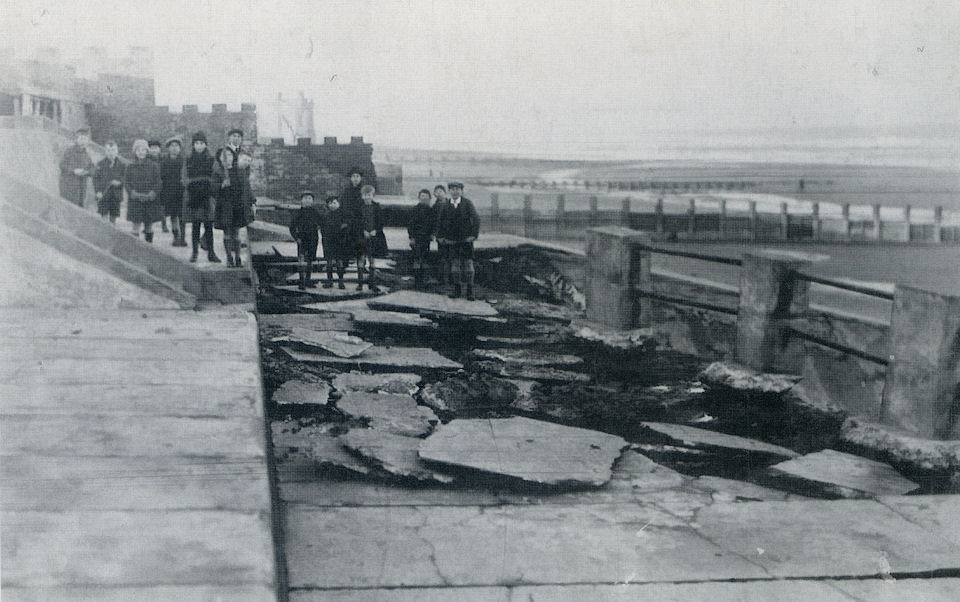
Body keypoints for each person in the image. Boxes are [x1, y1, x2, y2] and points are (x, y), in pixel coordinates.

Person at [435, 181, 479, 299]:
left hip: (466, 240)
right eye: (452, 189)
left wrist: (473, 235)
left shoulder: (467, 203)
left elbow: (476, 219)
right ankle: (457, 290)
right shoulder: (446, 205)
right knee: (455, 265)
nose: (455, 191)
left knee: (468, 264)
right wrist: (440, 237)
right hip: (452, 240)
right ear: (449, 191)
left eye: (457, 189)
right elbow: (440, 222)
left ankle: (470, 291)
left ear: (461, 191)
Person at [212, 147, 254, 267]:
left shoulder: (239, 171)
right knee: (227, 233)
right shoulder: (218, 172)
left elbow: (246, 188)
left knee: (236, 233)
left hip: (237, 206)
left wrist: (252, 202)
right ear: (220, 159)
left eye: (229, 155)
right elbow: (212, 189)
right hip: (225, 206)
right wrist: (221, 186)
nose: (227, 158)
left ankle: (238, 257)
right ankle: (229, 258)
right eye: (224, 156)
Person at [182, 131, 219, 263]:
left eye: (201, 143)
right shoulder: (188, 159)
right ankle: (194, 252)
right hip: (193, 195)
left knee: (208, 225)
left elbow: (215, 175)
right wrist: (191, 185)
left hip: (206, 195)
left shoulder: (211, 159)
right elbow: (184, 177)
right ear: (193, 145)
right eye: (196, 143)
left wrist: (209, 187)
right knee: (195, 225)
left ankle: (211, 253)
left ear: (205, 144)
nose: (199, 146)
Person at [123, 138, 161, 242]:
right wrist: (132, 193)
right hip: (135, 201)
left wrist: (152, 194)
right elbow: (126, 182)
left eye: (143, 150)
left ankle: (149, 248)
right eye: (138, 150)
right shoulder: (130, 166)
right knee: (136, 225)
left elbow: (158, 183)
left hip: (149, 201)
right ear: (135, 152)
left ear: (147, 152)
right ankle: (135, 250)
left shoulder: (154, 166)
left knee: (148, 225)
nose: (141, 152)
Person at [289, 190, 323, 290]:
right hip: (302, 239)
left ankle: (308, 281)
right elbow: (292, 227)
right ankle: (301, 282)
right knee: (301, 259)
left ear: (312, 201)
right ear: (301, 201)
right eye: (305, 198)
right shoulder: (298, 213)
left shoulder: (315, 212)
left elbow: (322, 223)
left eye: (309, 198)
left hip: (313, 239)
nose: (307, 200)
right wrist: (296, 238)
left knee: (310, 260)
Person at [357, 184, 385, 292]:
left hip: (373, 237)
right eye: (365, 195)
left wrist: (376, 230)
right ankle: (360, 284)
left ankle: (372, 283)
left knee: (372, 260)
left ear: (373, 195)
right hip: (361, 237)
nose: (367, 197)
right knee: (361, 259)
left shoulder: (377, 207)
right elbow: (355, 222)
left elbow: (381, 221)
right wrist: (362, 231)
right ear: (362, 196)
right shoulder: (358, 208)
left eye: (369, 195)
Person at [408, 188, 436, 288]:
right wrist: (411, 237)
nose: (424, 198)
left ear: (429, 198)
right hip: (416, 237)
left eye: (426, 197)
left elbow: (433, 224)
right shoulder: (414, 210)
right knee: (417, 258)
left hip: (426, 238)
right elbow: (410, 224)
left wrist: (432, 234)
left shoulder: (431, 210)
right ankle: (417, 280)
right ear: (419, 198)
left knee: (425, 258)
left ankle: (423, 279)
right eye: (422, 196)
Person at [160, 137, 186, 246]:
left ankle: (183, 237)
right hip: (168, 192)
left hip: (181, 192)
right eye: (172, 146)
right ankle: (176, 236)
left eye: (177, 146)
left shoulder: (184, 161)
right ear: (168, 148)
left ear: (180, 148)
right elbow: (161, 177)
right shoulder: (164, 162)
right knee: (173, 215)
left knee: (182, 216)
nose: (174, 148)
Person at [320, 196, 350, 289]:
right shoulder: (326, 216)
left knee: (339, 262)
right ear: (328, 205)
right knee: (329, 262)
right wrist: (325, 237)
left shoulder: (343, 215)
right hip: (328, 241)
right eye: (330, 203)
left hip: (339, 242)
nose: (332, 205)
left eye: (334, 203)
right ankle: (329, 281)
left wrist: (342, 237)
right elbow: (322, 229)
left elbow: (346, 228)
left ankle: (341, 281)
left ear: (338, 204)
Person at [59, 128, 93, 206]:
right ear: (77, 139)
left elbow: (92, 169)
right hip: (69, 187)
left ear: (88, 141)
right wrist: (74, 171)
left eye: (85, 139)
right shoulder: (69, 151)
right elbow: (62, 165)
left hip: (81, 189)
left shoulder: (87, 155)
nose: (83, 141)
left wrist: (87, 172)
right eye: (81, 138)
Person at [340, 167, 364, 275]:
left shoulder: (363, 191)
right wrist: (345, 220)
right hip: (349, 222)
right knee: (345, 244)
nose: (355, 179)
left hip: (360, 223)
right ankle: (343, 270)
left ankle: (361, 271)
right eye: (353, 177)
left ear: (361, 178)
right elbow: (343, 207)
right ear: (350, 178)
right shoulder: (346, 192)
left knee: (361, 246)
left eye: (357, 176)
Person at [93, 139, 124, 223]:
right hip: (104, 194)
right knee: (104, 217)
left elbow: (126, 178)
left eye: (113, 150)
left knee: (113, 217)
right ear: (105, 151)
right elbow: (95, 179)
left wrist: (120, 182)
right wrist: (98, 191)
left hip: (116, 195)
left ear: (117, 151)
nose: (111, 152)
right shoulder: (100, 164)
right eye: (108, 150)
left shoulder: (122, 165)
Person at [432, 184, 451, 285]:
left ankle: (451, 279)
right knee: (442, 256)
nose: (438, 193)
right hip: (440, 235)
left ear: (445, 192)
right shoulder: (435, 206)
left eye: (440, 191)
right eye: (436, 192)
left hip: (451, 235)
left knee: (451, 257)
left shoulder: (451, 204)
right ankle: (443, 279)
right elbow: (434, 222)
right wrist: (435, 234)